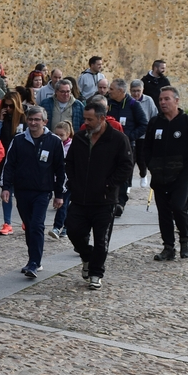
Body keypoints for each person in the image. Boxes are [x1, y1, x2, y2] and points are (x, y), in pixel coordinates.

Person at [64, 103, 133, 290]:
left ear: (102, 118)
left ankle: (96, 273)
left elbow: (126, 166)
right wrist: (74, 181)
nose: (85, 123)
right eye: (84, 119)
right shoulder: (79, 138)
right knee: (73, 231)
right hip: (80, 198)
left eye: (89, 119)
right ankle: (87, 255)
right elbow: (69, 162)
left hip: (105, 200)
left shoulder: (118, 139)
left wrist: (110, 184)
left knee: (101, 239)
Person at [144, 87, 188, 261]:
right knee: (163, 211)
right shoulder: (155, 122)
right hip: (159, 173)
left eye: (166, 99)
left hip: (181, 173)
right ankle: (168, 247)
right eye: (160, 100)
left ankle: (184, 239)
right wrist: (148, 165)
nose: (162, 102)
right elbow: (147, 148)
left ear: (176, 100)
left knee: (178, 206)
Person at [0, 106, 65, 278]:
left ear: (45, 121)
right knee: (29, 226)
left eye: (37, 120)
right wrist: (6, 187)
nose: (33, 123)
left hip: (42, 192)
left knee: (37, 225)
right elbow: (9, 165)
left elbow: (60, 170)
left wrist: (59, 194)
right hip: (22, 191)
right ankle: (33, 259)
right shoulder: (19, 140)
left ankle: (34, 263)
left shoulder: (54, 141)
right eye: (31, 119)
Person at [106, 79, 147, 216]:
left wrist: (129, 136)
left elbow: (143, 124)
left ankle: (120, 203)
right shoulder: (107, 103)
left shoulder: (133, 105)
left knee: (124, 174)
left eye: (112, 89)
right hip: (108, 145)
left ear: (120, 91)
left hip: (127, 146)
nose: (109, 91)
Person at [0, 91, 25, 235]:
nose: (8, 109)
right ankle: (7, 222)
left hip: (21, 160)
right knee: (6, 191)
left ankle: (26, 220)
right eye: (5, 106)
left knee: (22, 193)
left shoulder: (24, 119)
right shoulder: (2, 118)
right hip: (5, 160)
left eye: (11, 106)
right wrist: (0, 120)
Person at [130, 79, 159, 188]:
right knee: (130, 159)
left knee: (142, 158)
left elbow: (154, 115)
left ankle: (143, 175)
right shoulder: (129, 101)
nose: (136, 94)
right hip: (132, 133)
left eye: (138, 91)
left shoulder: (148, 100)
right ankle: (129, 181)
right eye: (133, 91)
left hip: (144, 134)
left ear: (142, 90)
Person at [48, 121, 73, 239]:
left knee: (63, 203)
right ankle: (66, 226)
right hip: (52, 178)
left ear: (68, 134)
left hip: (66, 180)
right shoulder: (52, 144)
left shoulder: (72, 146)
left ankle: (58, 227)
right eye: (56, 134)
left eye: (61, 135)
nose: (59, 137)